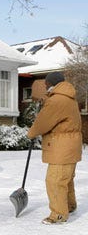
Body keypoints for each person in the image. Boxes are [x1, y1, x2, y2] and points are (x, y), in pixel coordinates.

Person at [27, 72, 82, 225]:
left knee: (55, 180)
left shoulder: (57, 100)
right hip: (71, 146)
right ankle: (69, 205)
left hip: (61, 147)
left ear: (52, 83)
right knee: (66, 179)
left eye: (46, 83)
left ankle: (58, 214)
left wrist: (31, 133)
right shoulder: (69, 98)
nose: (45, 86)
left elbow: (43, 122)